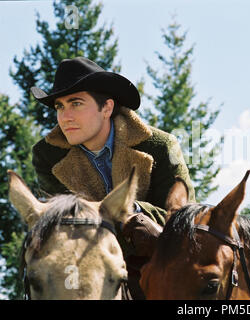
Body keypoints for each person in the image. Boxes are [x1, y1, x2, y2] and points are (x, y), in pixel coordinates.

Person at [30, 57, 195, 299]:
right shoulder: (47, 155)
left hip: (157, 266)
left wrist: (132, 210)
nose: (65, 117)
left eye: (76, 104)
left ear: (106, 108)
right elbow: (66, 222)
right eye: (60, 107)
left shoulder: (160, 146)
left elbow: (183, 220)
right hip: (89, 266)